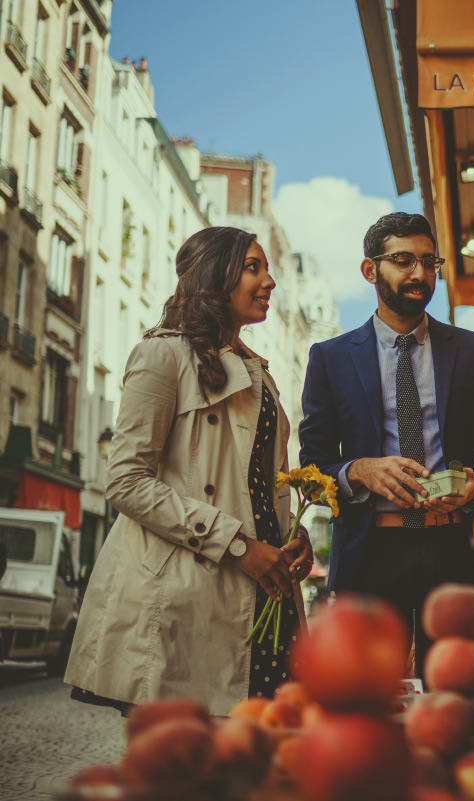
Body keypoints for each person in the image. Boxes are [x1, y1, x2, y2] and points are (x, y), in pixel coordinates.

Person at [64, 227, 314, 715]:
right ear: (214, 276)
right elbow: (126, 480)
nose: (269, 282)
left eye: (267, 268)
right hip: (189, 593)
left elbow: (258, 487)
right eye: (253, 268)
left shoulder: (258, 370)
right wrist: (240, 545)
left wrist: (290, 538)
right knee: (184, 768)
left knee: (256, 759)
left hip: (265, 589)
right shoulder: (162, 354)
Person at [299, 212, 474, 675]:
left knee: (454, 694)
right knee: (370, 698)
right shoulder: (330, 359)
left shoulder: (473, 350)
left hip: (455, 551)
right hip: (369, 555)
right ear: (370, 270)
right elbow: (312, 467)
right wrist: (358, 471)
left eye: (428, 261)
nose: (419, 273)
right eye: (402, 260)